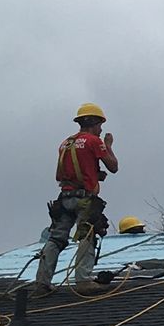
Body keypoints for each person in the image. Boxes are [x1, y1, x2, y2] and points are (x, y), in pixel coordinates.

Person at [34, 102, 119, 292]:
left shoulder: (66, 143)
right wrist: (108, 146)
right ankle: (83, 280)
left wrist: (94, 174)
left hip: (64, 198)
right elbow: (113, 166)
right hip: (84, 199)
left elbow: (63, 174)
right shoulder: (93, 141)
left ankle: (41, 282)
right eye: (100, 125)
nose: (100, 129)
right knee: (87, 235)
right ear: (94, 122)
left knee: (55, 239)